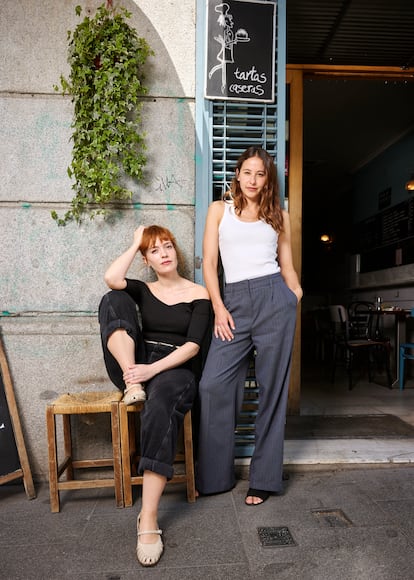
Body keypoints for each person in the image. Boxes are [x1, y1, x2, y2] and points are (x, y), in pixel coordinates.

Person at [196, 146, 303, 506]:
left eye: (260, 174)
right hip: (234, 303)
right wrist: (219, 307)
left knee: (272, 390)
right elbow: (209, 264)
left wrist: (295, 294)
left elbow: (286, 265)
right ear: (237, 174)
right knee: (212, 385)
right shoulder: (218, 210)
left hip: (275, 299)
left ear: (267, 179)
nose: (254, 180)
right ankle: (214, 476)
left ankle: (264, 479)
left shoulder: (279, 216)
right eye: (248, 173)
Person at [98, 225, 210, 566]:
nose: (164, 253)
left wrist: (152, 372)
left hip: (173, 369)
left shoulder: (199, 294)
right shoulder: (143, 290)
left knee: (160, 404)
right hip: (132, 362)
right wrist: (135, 242)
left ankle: (147, 517)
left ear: (175, 252)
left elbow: (192, 347)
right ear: (147, 260)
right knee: (112, 299)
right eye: (155, 250)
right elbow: (112, 278)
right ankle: (133, 387)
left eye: (167, 246)